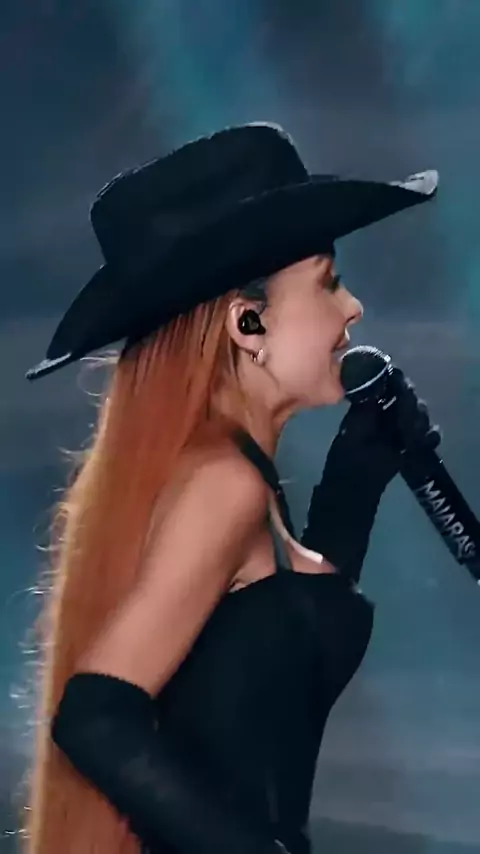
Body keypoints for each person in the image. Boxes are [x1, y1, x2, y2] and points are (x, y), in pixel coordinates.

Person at [24, 122, 440, 854]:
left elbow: (268, 666)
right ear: (248, 324)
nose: (353, 308)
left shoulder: (239, 475)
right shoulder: (224, 483)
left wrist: (358, 476)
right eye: (328, 281)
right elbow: (96, 716)